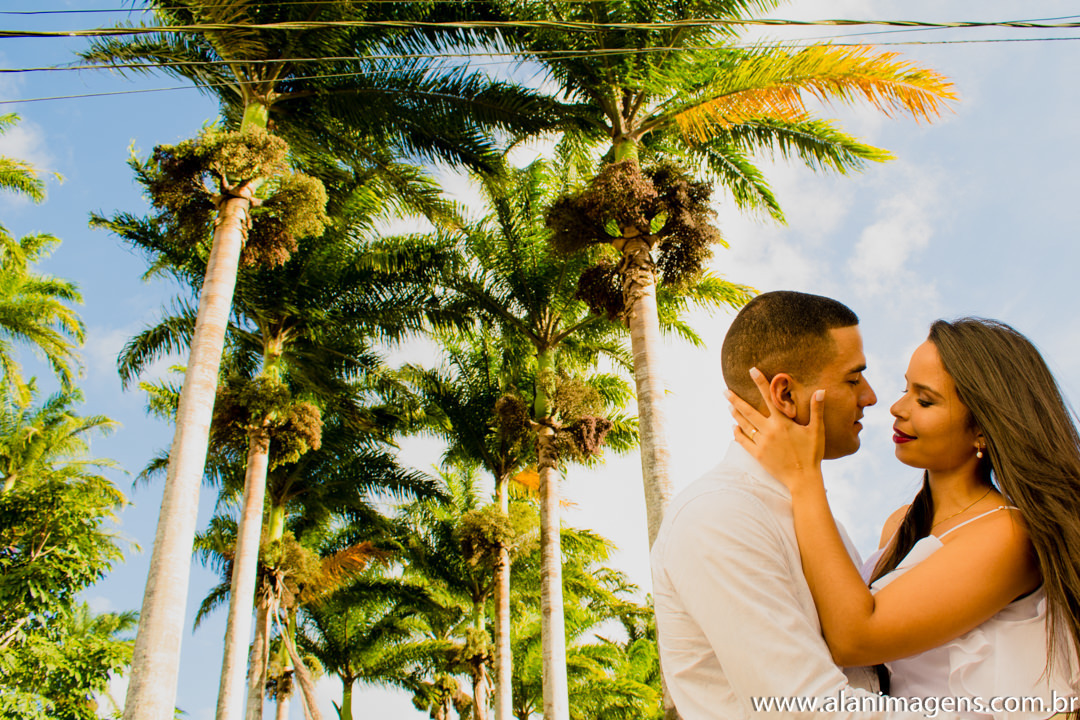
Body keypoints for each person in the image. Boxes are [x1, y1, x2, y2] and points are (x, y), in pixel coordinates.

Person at [730, 317, 1080, 719]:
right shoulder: (899, 525)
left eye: (925, 400)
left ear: (982, 428)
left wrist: (803, 476)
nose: (896, 408)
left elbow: (856, 638)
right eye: (905, 389)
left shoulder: (1010, 534)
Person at [651, 290, 951, 719]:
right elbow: (806, 707)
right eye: (853, 378)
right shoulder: (720, 517)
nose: (871, 397)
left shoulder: (805, 513)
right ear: (786, 395)